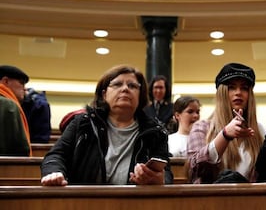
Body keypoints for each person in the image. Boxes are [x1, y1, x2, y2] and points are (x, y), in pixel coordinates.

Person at [40, 64, 169, 186]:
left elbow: (167, 173)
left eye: (132, 86)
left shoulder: (155, 132)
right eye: (117, 84)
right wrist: (54, 172)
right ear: (104, 94)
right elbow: (55, 156)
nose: (125, 89)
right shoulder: (84, 123)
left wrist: (160, 179)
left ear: (140, 95)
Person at [187, 63, 266, 183]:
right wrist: (224, 135)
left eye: (244, 88)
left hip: (251, 199)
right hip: (212, 199)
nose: (238, 92)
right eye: (231, 87)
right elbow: (193, 169)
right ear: (222, 93)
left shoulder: (258, 130)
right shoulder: (202, 127)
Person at [0, 65, 32, 156]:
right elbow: (20, 147)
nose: (25, 88)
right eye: (21, 83)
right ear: (5, 81)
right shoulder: (8, 105)